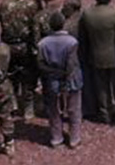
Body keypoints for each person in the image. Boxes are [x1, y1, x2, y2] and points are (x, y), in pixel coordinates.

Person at [37, 9, 84, 147]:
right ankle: (74, 138)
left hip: (52, 81)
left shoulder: (43, 43)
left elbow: (40, 63)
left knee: (54, 110)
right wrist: (66, 76)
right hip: (71, 81)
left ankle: (56, 137)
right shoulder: (72, 42)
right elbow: (72, 63)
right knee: (74, 109)